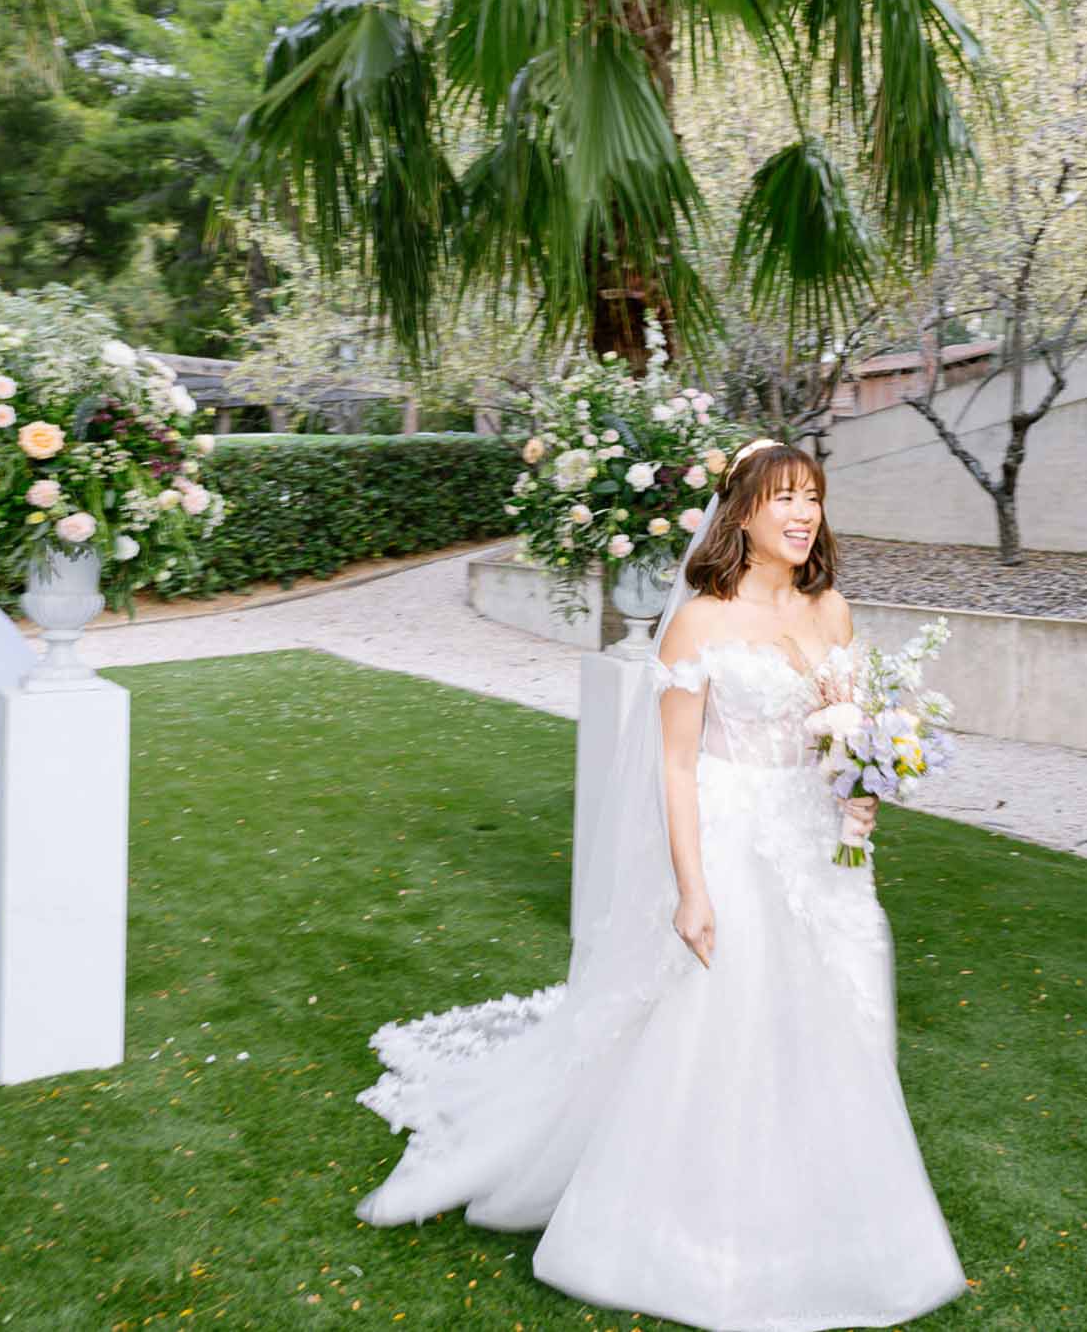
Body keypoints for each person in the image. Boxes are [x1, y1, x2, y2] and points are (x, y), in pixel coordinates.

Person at [351, 438, 966, 1331]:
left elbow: (846, 727)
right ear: (742, 512)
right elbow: (676, 768)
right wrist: (692, 887)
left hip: (820, 844)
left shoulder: (831, 608)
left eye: (815, 499)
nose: (803, 515)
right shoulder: (700, 622)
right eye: (784, 498)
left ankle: (830, 1193)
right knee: (726, 1023)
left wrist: (861, 788)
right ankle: (702, 1224)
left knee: (840, 1002)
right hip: (730, 838)